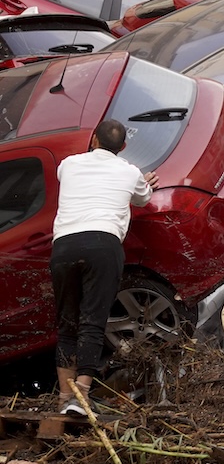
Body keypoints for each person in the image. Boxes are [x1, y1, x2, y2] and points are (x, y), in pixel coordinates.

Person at [51, 119, 158, 415]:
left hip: (64, 247)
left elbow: (69, 178)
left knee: (67, 323)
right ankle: (81, 397)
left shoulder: (69, 164)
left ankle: (64, 398)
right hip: (103, 245)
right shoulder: (130, 172)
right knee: (92, 321)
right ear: (123, 147)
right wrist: (144, 181)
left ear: (94, 140)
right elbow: (144, 197)